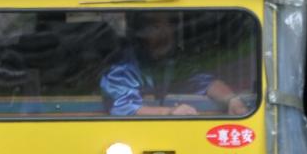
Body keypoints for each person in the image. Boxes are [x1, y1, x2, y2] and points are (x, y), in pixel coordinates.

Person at [100, 11, 253, 117]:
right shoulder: (124, 67)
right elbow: (122, 107)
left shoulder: (174, 61)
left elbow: (204, 82)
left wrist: (232, 99)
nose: (164, 33)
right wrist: (170, 112)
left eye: (169, 25)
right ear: (138, 34)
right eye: (154, 26)